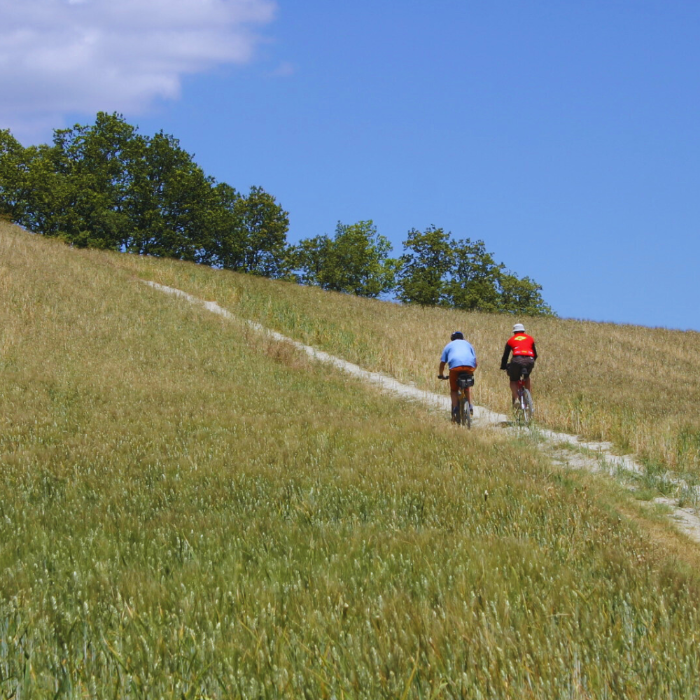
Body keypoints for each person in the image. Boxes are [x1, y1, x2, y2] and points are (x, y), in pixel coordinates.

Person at [438, 331, 478, 423]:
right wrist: (472, 371)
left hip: (455, 367)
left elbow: (442, 363)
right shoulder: (468, 344)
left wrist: (441, 374)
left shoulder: (449, 345)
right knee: (467, 387)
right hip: (469, 366)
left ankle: (455, 409)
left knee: (454, 390)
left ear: (452, 339)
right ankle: (470, 406)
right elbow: (475, 361)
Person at [500, 323, 537, 407]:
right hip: (529, 360)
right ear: (523, 331)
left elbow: (505, 355)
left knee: (513, 380)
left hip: (517, 360)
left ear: (514, 332)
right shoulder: (530, 338)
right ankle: (529, 397)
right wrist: (531, 362)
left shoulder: (511, 340)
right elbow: (535, 354)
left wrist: (503, 366)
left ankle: (516, 399)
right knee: (527, 377)